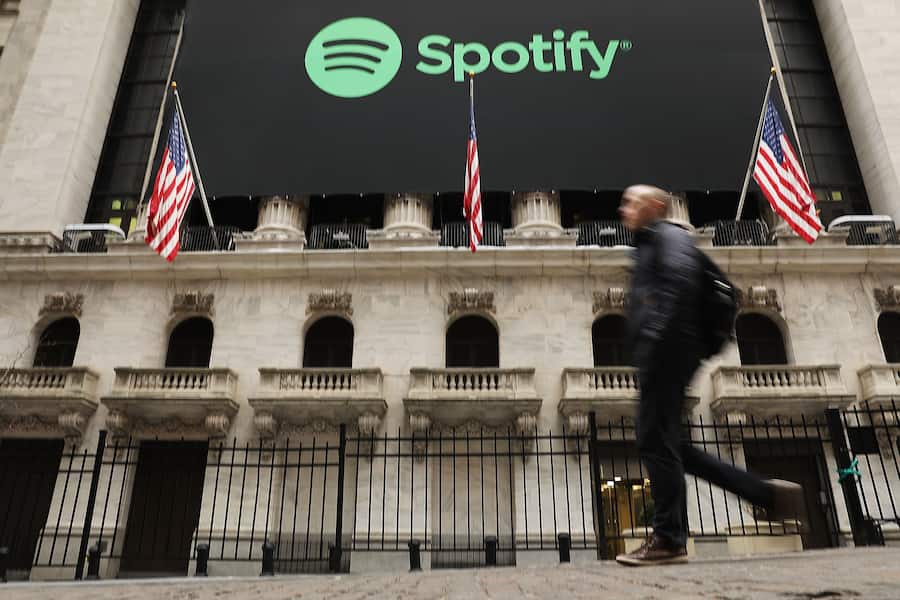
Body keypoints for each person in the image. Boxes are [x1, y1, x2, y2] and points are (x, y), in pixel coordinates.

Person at [615, 185, 802, 567]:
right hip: (669, 351)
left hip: (667, 352)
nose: (624, 208)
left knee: (654, 441)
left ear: (654, 206)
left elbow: (679, 284)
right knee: (673, 447)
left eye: (632, 202)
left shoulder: (668, 236)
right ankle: (765, 494)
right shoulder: (650, 244)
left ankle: (668, 538)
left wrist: (654, 341)